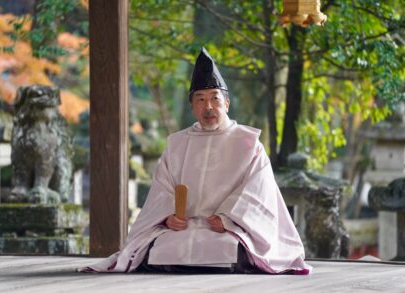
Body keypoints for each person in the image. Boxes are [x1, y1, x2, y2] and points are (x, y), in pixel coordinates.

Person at [78, 48, 311, 274]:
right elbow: (162, 189)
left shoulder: (248, 144)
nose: (208, 106)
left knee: (235, 249)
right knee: (152, 248)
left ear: (226, 104)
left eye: (214, 99)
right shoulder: (177, 144)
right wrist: (168, 217)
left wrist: (229, 219)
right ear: (192, 106)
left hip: (226, 230)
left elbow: (258, 191)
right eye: (200, 99)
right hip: (182, 229)